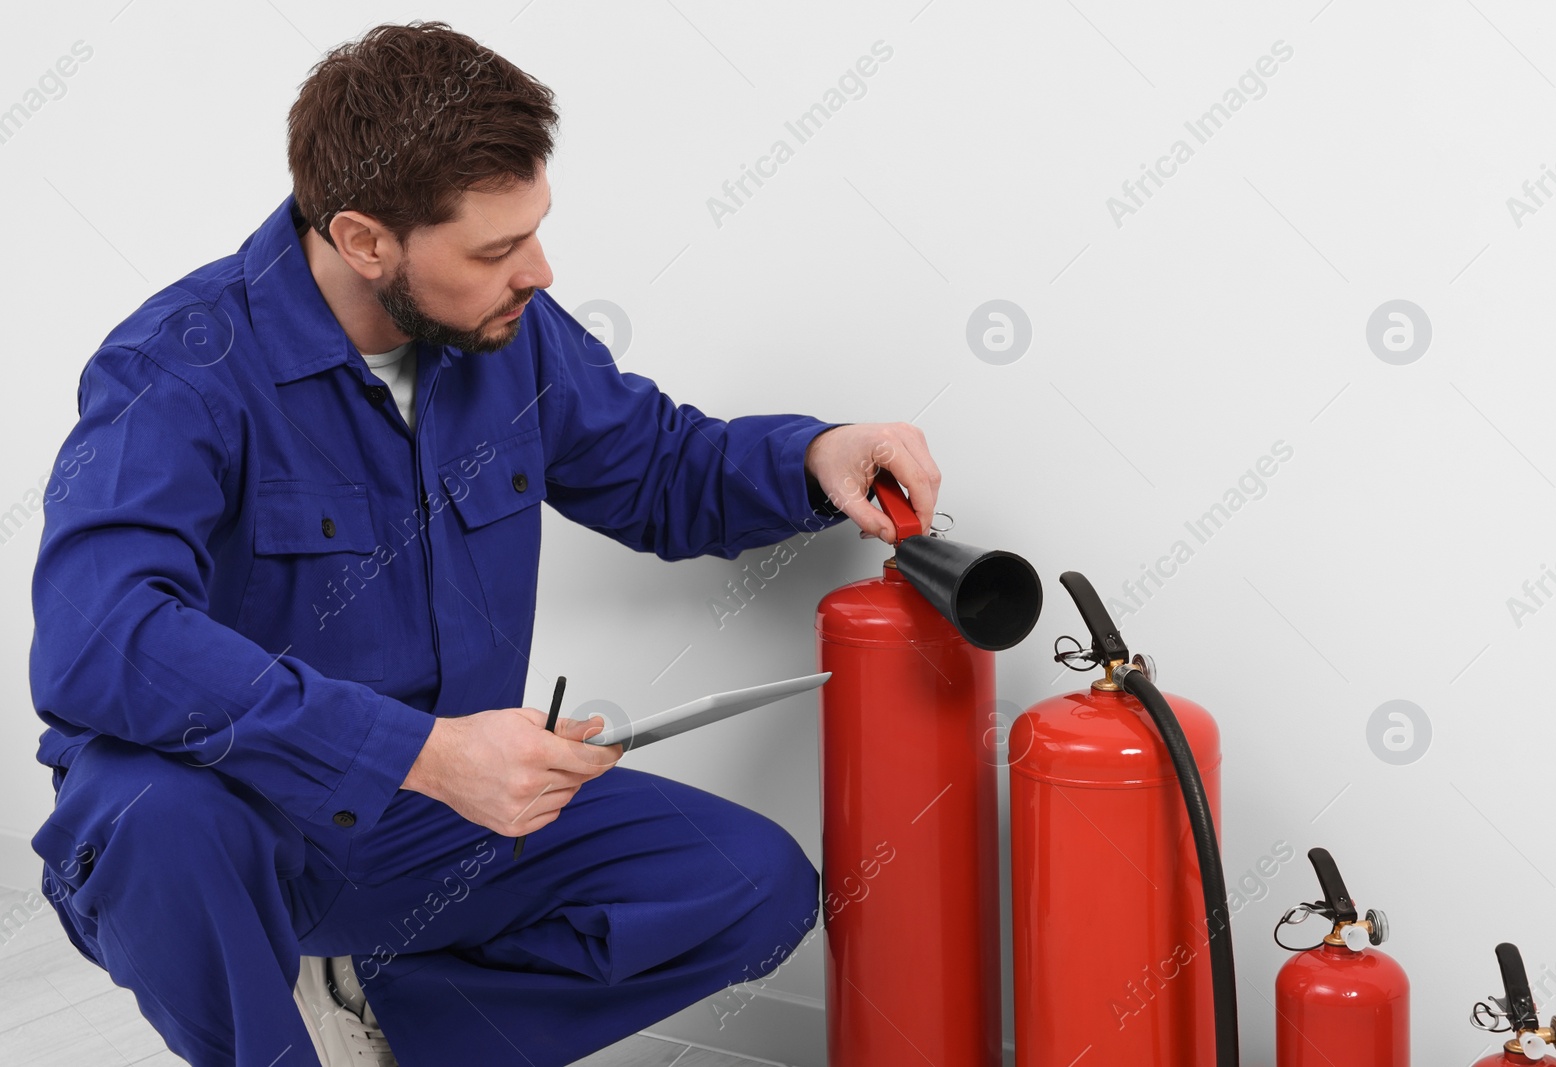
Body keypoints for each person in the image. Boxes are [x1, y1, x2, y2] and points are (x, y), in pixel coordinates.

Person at [26, 20, 942, 1067]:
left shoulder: (510, 336)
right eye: (497, 248)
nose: (540, 271)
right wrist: (423, 751)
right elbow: (100, 638)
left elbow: (657, 467)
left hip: (426, 820)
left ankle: (378, 1020)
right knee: (151, 812)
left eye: (537, 229)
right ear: (366, 240)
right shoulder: (178, 369)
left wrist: (815, 455)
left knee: (748, 883)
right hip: (245, 821)